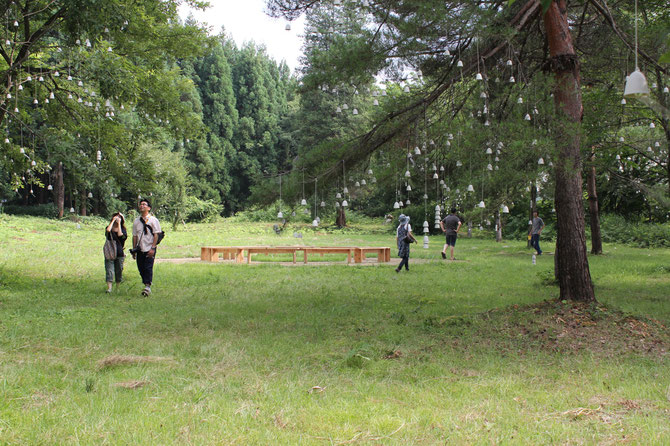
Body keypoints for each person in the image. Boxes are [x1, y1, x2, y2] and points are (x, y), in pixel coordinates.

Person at [132, 198, 161, 296]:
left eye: (144, 204)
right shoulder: (136, 221)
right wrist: (134, 249)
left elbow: (156, 234)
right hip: (140, 248)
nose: (142, 206)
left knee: (148, 267)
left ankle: (147, 287)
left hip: (150, 247)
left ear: (148, 208)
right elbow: (135, 235)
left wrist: (153, 247)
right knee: (141, 268)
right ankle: (146, 284)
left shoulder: (153, 220)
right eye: (141, 204)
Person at [104, 213, 127, 293]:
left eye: (119, 217)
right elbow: (108, 230)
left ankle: (117, 287)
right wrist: (113, 221)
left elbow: (121, 235)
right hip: (109, 251)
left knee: (119, 270)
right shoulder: (109, 227)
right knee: (109, 270)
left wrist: (119, 224)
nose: (117, 218)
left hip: (119, 252)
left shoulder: (123, 229)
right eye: (116, 217)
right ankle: (109, 288)